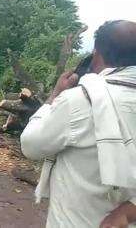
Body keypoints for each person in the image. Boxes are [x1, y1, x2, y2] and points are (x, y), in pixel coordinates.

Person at [21, 20, 136, 228]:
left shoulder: (80, 100)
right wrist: (127, 213)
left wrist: (55, 95)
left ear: (96, 55)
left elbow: (30, 145)